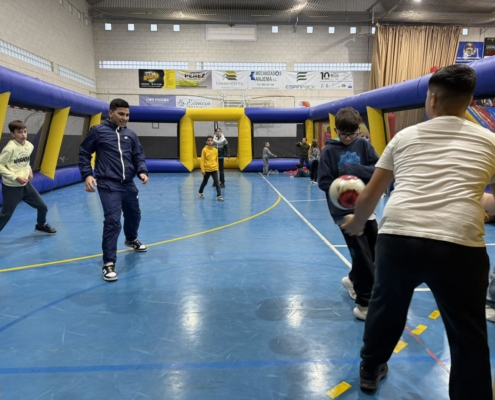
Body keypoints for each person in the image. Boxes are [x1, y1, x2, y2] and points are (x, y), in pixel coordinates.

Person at [342, 64, 493, 398]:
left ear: (433, 99)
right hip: (459, 245)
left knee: (385, 309)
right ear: (469, 102)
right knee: (468, 331)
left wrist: (356, 223)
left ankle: (370, 369)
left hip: (400, 238)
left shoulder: (404, 137)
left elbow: (371, 195)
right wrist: (476, 200)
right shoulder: (490, 140)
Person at [318, 107, 379, 320]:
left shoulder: (364, 145)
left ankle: (352, 280)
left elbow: (377, 170)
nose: (348, 138)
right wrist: (342, 185)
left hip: (366, 207)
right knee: (362, 257)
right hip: (344, 213)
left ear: (358, 130)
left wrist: (353, 171)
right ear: (336, 131)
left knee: (374, 253)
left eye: (352, 134)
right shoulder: (328, 151)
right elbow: (323, 182)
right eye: (343, 134)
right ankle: (364, 304)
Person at [79, 98, 149, 282]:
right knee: (112, 221)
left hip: (128, 184)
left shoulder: (131, 134)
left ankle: (131, 239)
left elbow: (138, 156)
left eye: (127, 115)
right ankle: (108, 263)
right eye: (121, 114)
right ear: (111, 113)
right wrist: (87, 175)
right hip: (108, 184)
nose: (125, 118)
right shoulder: (98, 131)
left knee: (134, 215)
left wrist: (142, 171)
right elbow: (84, 153)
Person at [0, 120, 56, 235]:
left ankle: (41, 226)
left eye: (25, 131)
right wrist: (16, 177)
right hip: (12, 187)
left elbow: (25, 162)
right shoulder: (10, 148)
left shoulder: (29, 146)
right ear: (12, 134)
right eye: (19, 132)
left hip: (26, 185)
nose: (23, 135)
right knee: (6, 214)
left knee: (43, 207)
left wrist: (29, 170)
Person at [198, 135, 224, 202]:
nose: (210, 142)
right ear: (206, 142)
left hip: (214, 169)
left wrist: (217, 168)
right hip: (207, 169)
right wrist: (203, 170)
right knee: (205, 182)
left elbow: (216, 160)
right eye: (208, 141)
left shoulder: (215, 150)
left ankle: (219, 195)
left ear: (213, 141)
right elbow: (202, 160)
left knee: (217, 182)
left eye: (211, 140)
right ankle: (200, 192)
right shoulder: (204, 150)